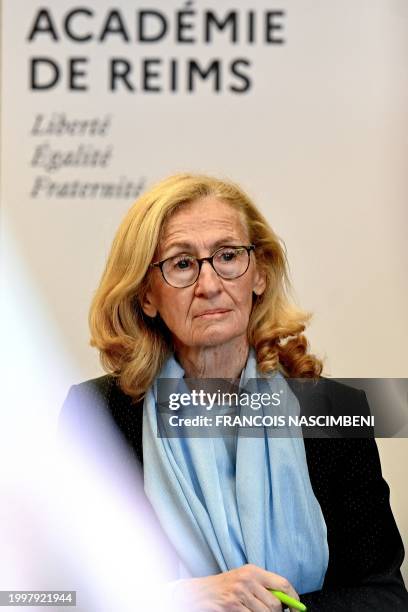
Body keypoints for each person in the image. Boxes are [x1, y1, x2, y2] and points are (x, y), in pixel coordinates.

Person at [61, 173, 408, 611]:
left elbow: (385, 596)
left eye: (228, 256)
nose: (209, 285)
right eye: (182, 264)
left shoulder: (334, 410)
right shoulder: (97, 416)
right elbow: (60, 594)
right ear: (147, 296)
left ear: (259, 274)